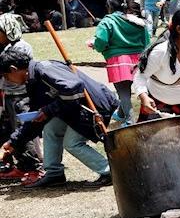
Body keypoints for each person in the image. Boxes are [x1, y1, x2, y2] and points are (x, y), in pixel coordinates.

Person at [0, 54, 118, 188]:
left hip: (94, 108)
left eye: (6, 75)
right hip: (73, 109)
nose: (7, 80)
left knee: (72, 143)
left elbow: (74, 90)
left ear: (13, 69)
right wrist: (13, 142)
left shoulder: (44, 69)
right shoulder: (33, 79)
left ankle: (110, 172)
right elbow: (36, 119)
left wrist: (48, 110)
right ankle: (54, 174)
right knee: (50, 128)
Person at [91, 0, 148, 125]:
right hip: (139, 59)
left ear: (109, 7)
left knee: (123, 92)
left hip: (118, 61)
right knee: (133, 89)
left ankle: (129, 121)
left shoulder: (108, 21)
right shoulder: (137, 21)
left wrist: (96, 46)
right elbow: (147, 41)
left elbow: (101, 40)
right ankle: (121, 114)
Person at [0, 14, 41, 183]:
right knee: (11, 130)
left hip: (22, 96)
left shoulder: (21, 47)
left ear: (8, 30)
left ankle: (35, 168)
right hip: (8, 95)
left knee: (25, 133)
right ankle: (22, 166)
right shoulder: (4, 46)